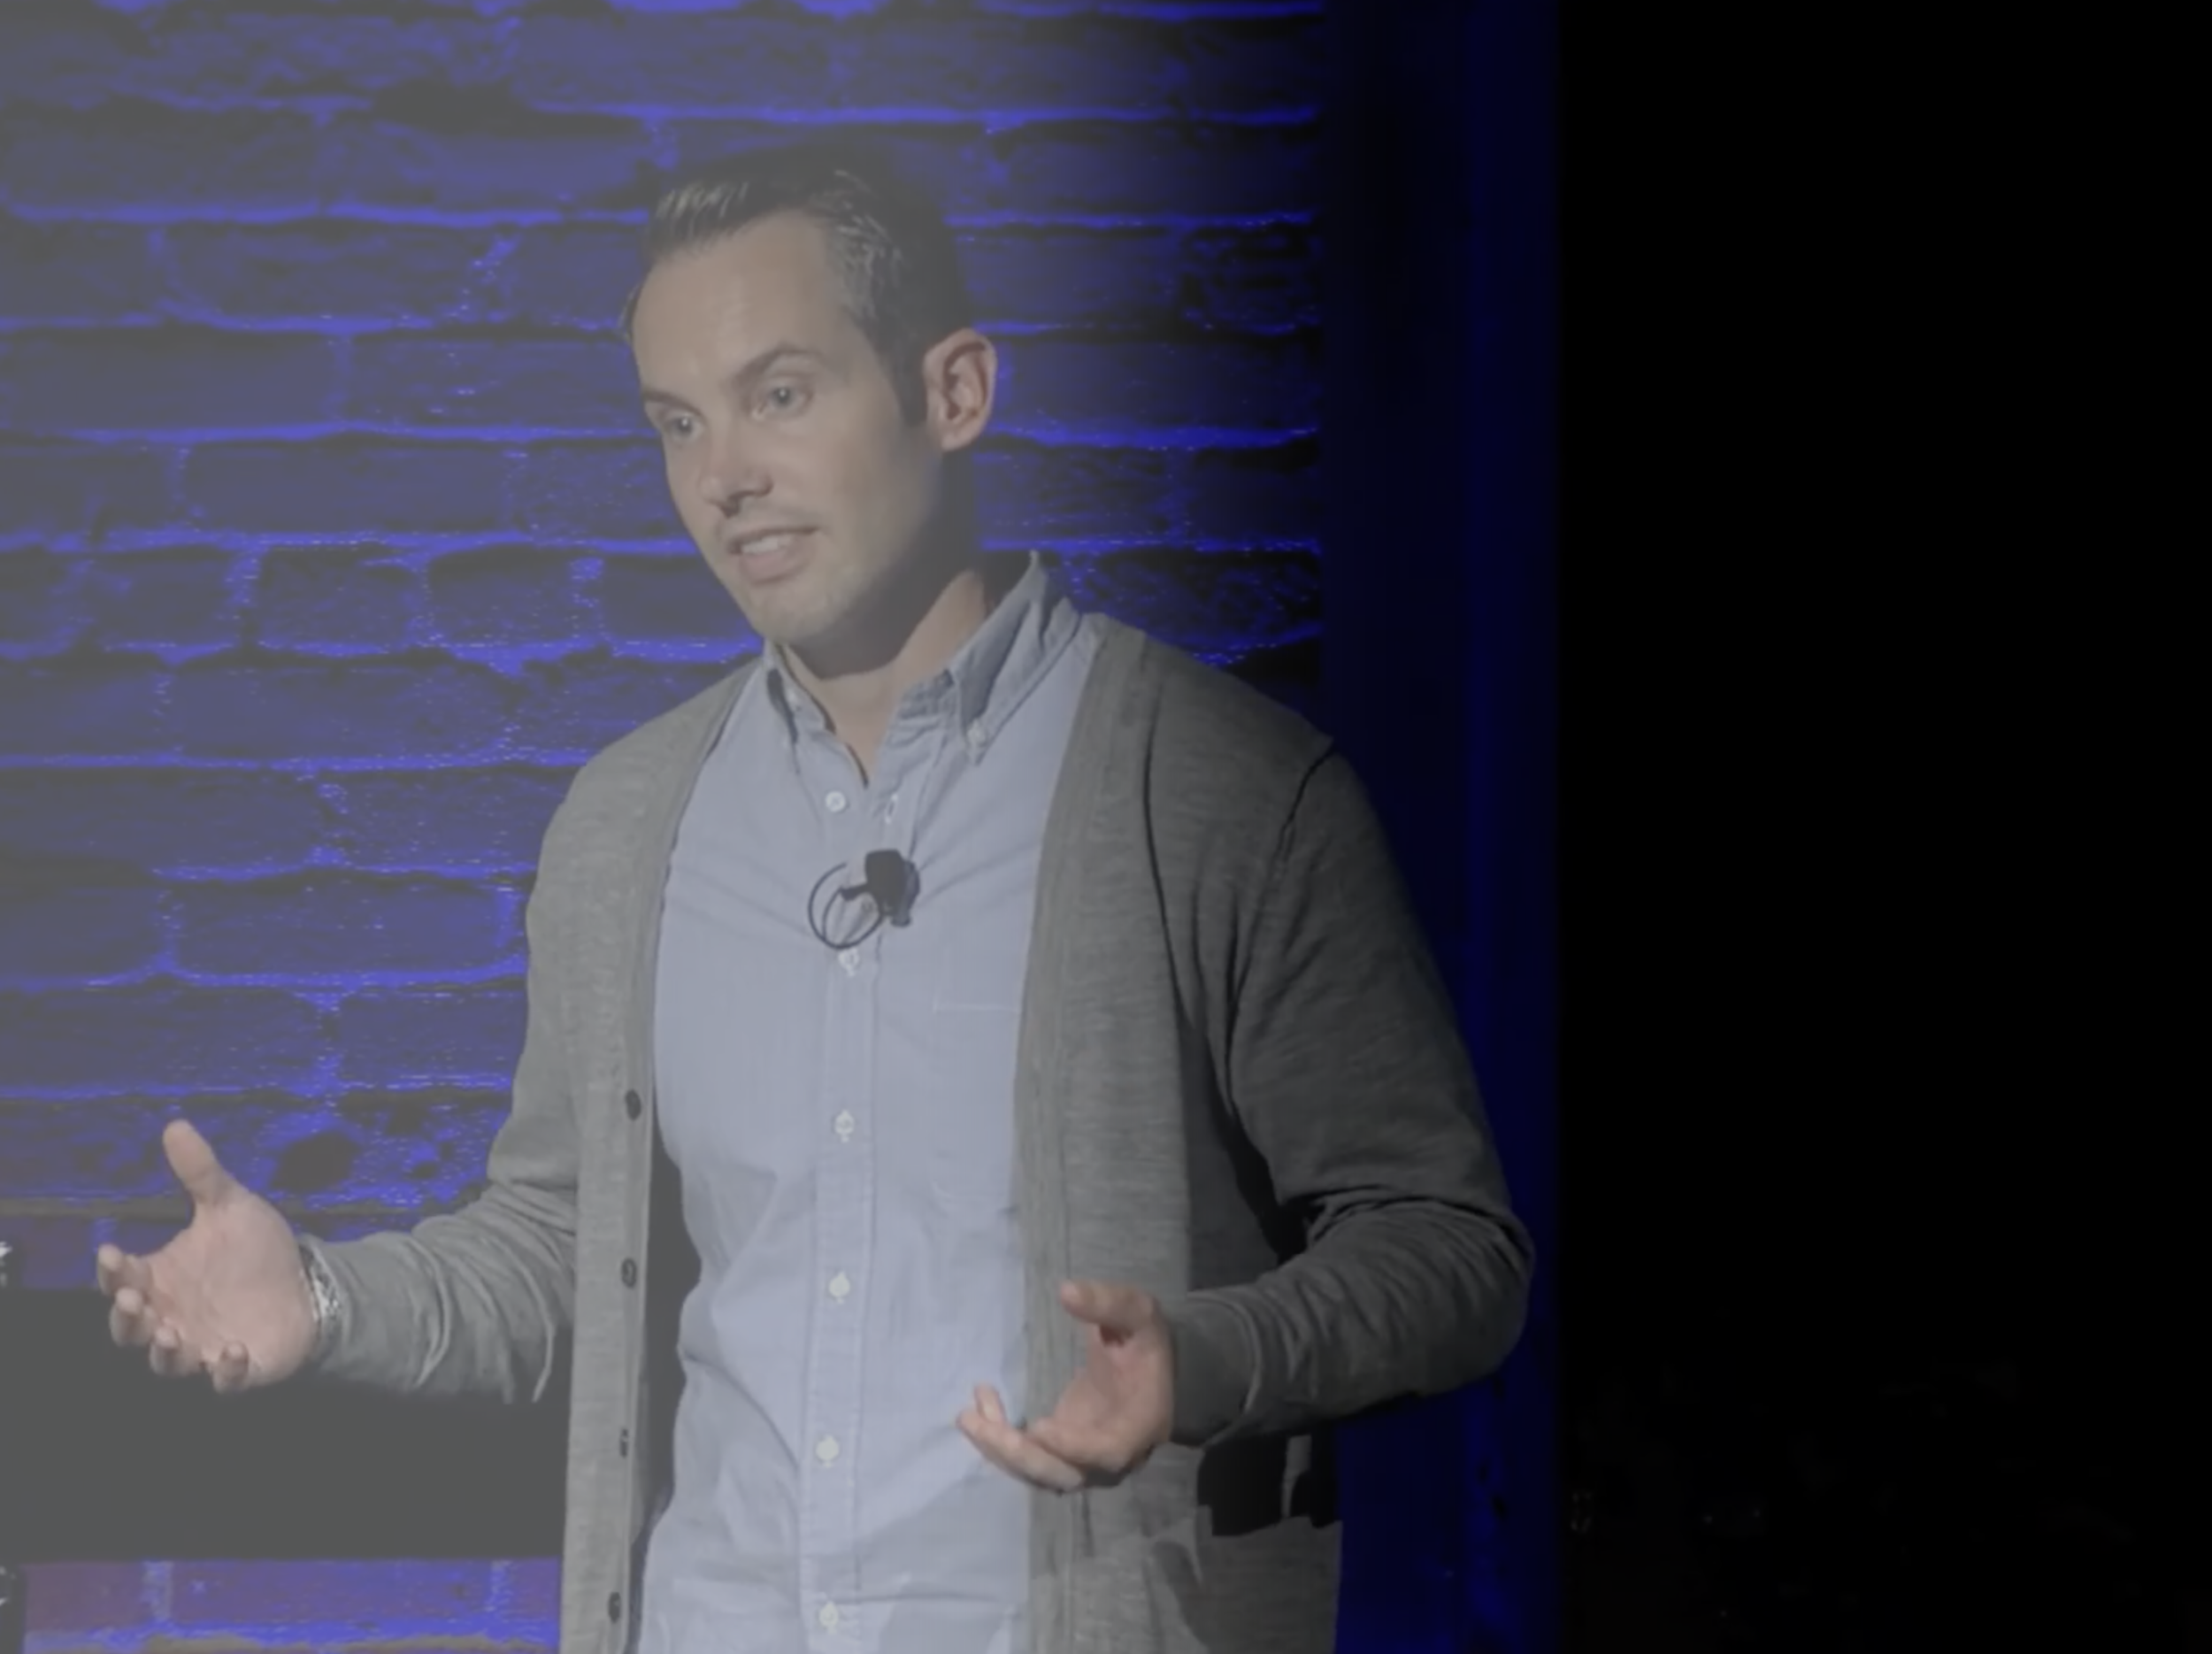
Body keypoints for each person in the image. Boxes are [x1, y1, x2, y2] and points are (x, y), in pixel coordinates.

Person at [96, 142, 1533, 1654]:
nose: (726, 477)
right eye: (678, 423)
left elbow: (1449, 1249)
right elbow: (561, 1251)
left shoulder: (1221, 788)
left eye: (781, 394)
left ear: (954, 391)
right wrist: (321, 1297)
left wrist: (1212, 1353)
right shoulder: (625, 825)